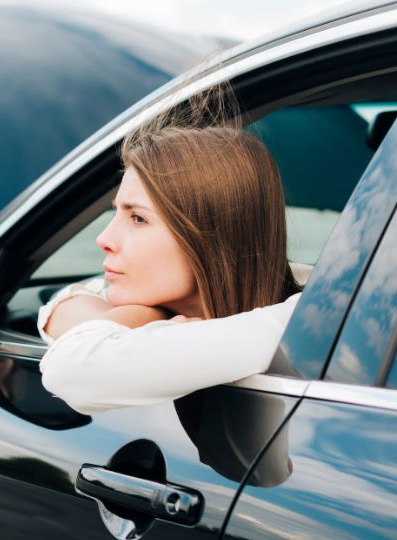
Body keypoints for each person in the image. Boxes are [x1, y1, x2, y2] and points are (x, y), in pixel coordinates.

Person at [38, 100, 303, 416]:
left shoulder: (302, 318)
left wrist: (127, 327)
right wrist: (145, 316)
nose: (104, 239)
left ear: (212, 237)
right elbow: (64, 303)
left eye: (138, 218)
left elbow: (71, 369)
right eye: (116, 213)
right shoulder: (169, 300)